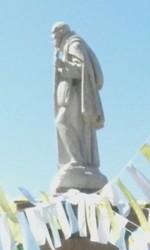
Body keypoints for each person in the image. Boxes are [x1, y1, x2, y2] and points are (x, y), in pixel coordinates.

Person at [51, 22, 105, 176]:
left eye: (54, 34)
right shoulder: (68, 45)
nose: (53, 39)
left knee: (63, 122)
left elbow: (83, 69)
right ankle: (78, 160)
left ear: (61, 32)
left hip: (76, 94)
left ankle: (77, 160)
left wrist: (62, 66)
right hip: (71, 94)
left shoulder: (74, 43)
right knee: (70, 125)